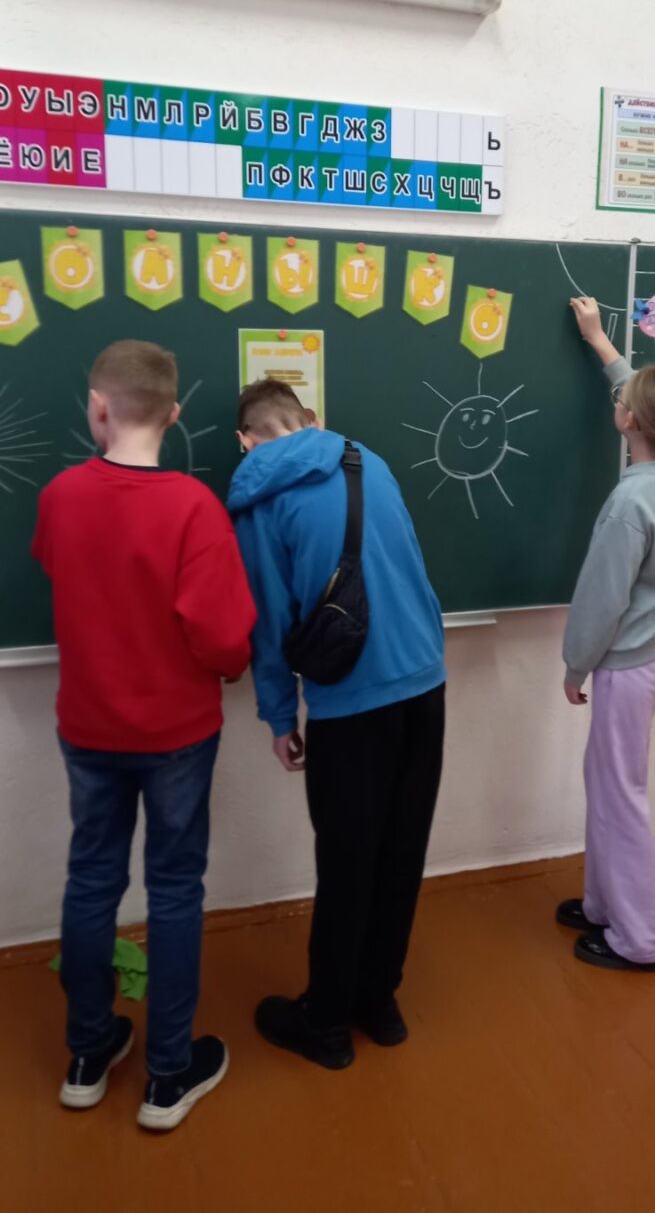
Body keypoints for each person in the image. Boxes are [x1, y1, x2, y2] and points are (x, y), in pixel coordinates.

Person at [33, 341, 256, 1130]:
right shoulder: (194, 508)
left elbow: (57, 568)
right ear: (174, 415)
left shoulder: (60, 496)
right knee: (174, 889)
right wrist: (223, 666)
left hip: (89, 725)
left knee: (92, 880)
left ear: (98, 408)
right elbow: (224, 638)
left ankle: (88, 1055)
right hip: (177, 734)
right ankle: (167, 1075)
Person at [228, 379, 445, 1071]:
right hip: (424, 682)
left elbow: (268, 619)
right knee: (401, 854)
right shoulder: (366, 460)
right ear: (312, 419)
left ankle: (325, 1023)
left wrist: (278, 715)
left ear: (245, 441)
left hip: (349, 703)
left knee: (347, 863)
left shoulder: (258, 498)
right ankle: (379, 1003)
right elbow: (410, 563)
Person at [557, 299, 655, 972]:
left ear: (629, 422)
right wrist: (600, 342)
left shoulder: (629, 504)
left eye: (625, 401)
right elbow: (643, 396)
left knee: (621, 796)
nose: (621, 401)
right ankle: (604, 906)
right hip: (650, 657)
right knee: (608, 784)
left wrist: (574, 665)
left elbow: (600, 600)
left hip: (622, 665)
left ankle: (643, 940)